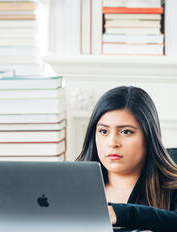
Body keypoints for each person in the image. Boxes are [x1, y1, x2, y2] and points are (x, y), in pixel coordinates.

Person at [76, 86, 177, 232]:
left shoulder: (172, 188)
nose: (112, 143)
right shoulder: (74, 187)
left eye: (126, 132)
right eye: (103, 131)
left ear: (148, 136)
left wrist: (123, 214)